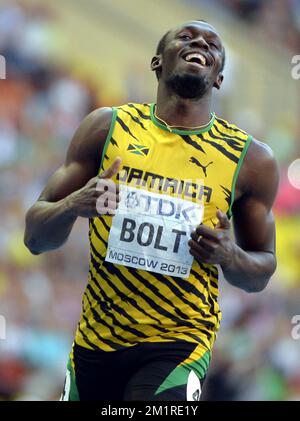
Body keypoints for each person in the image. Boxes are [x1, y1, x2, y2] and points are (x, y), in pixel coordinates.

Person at [24, 20, 279, 401]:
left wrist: (230, 255)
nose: (200, 44)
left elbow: (260, 273)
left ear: (219, 78)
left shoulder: (251, 159)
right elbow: (35, 238)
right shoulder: (107, 128)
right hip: (97, 339)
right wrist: (74, 205)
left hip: (180, 342)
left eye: (213, 44)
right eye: (187, 37)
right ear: (157, 62)